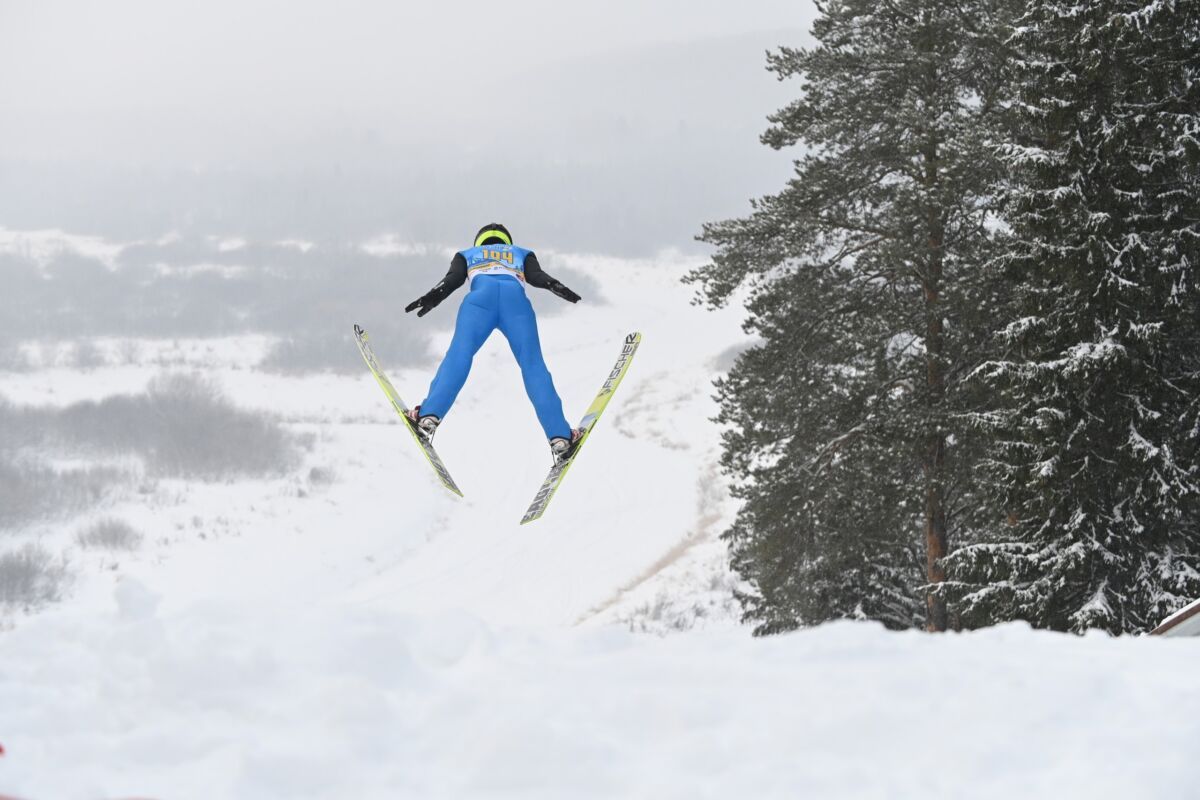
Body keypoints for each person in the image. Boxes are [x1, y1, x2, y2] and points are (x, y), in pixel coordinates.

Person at [403, 223, 584, 464]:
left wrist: (432, 297)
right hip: (516, 306)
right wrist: (554, 285)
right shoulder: (522, 253)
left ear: (479, 241)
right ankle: (560, 436)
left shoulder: (466, 254)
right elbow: (537, 277)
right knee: (533, 366)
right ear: (507, 241)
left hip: (479, 303)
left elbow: (452, 280)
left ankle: (428, 416)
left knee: (459, 355)